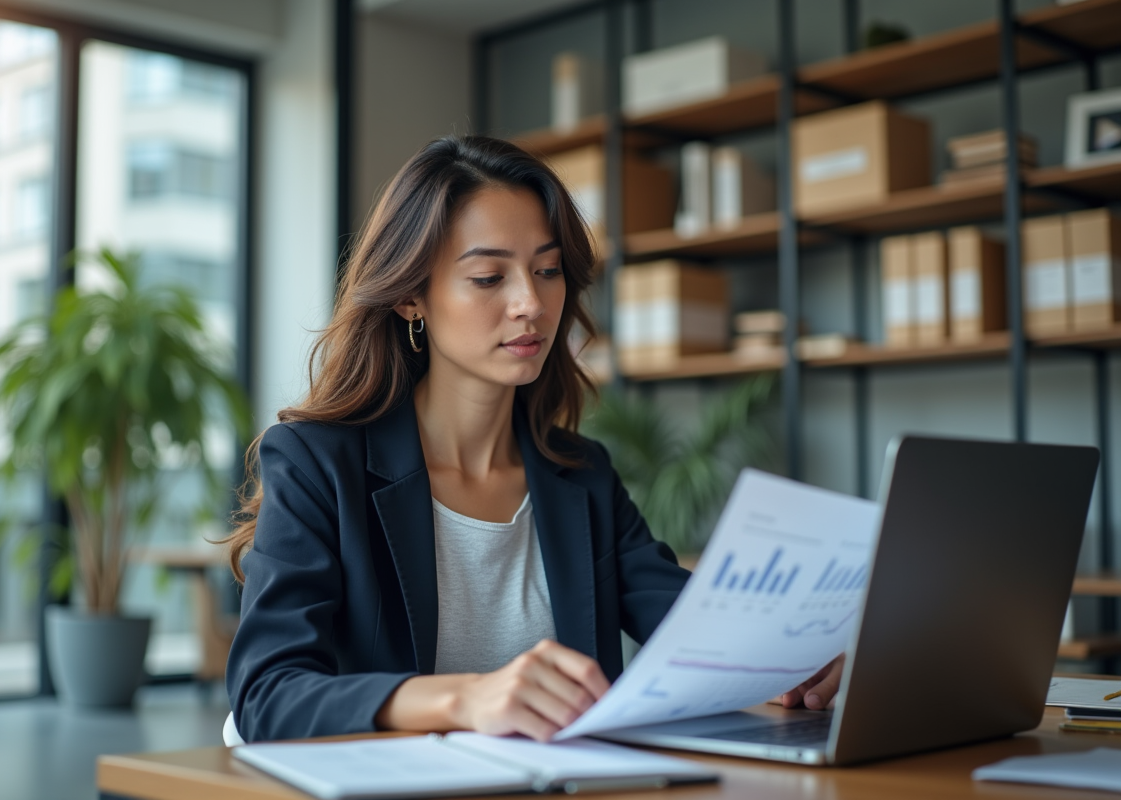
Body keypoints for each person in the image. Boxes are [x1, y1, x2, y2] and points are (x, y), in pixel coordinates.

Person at [223, 135, 842, 744]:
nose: (531, 303)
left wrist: (794, 658)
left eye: (547, 271)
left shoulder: (581, 474)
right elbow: (266, 694)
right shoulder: (315, 462)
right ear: (411, 296)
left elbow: (695, 631)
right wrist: (466, 699)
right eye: (489, 277)